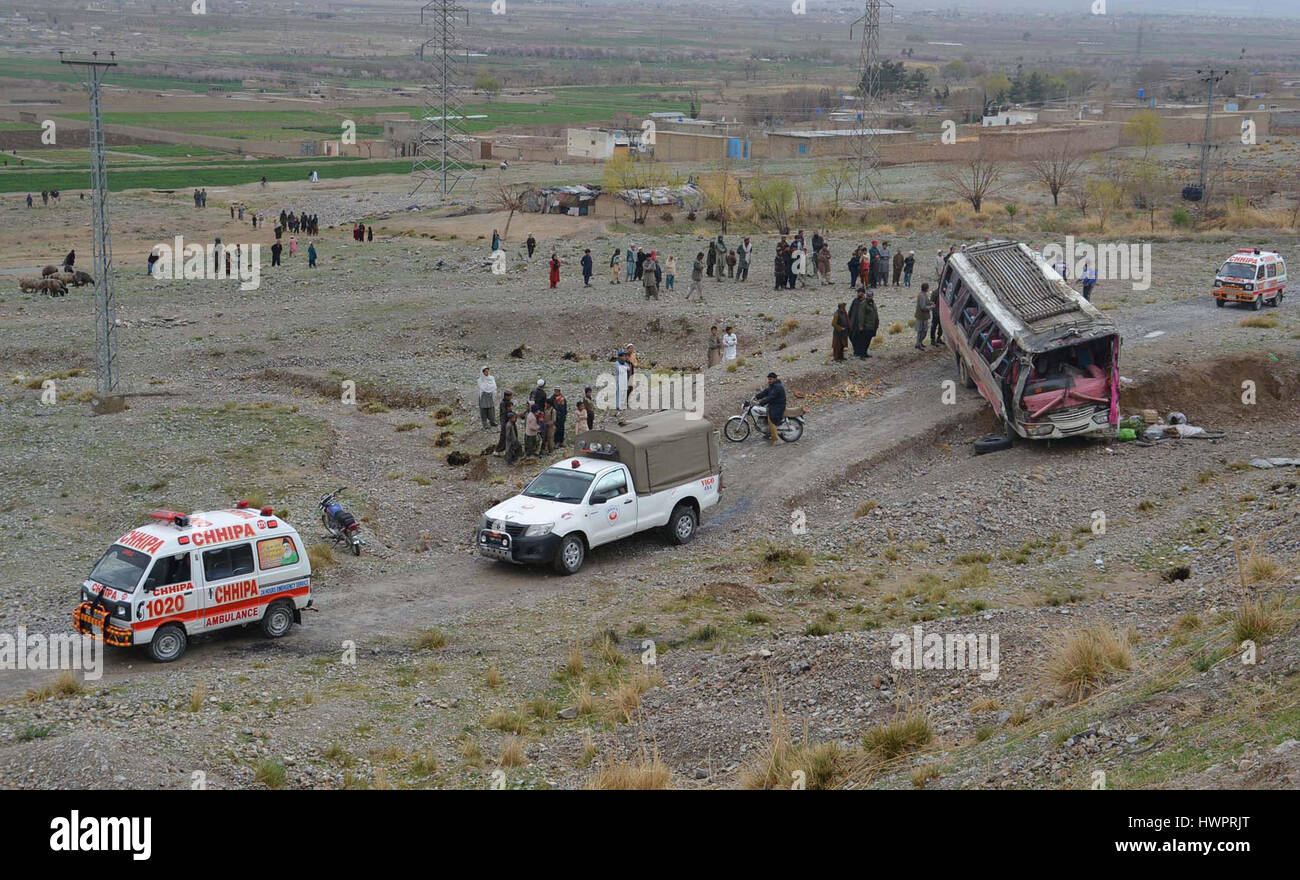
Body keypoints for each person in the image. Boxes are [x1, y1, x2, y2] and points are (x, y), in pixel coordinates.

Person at [754, 372, 787, 444]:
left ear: (775, 379)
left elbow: (771, 397)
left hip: (778, 406)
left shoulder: (777, 387)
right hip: (774, 404)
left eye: (770, 379)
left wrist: (761, 402)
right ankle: (768, 433)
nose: (769, 380)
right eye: (768, 379)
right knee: (765, 416)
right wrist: (756, 396)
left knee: (771, 420)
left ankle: (776, 440)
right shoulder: (772, 386)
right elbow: (765, 392)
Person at [495, 390, 516, 455]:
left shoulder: (508, 402)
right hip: (505, 421)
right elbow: (504, 413)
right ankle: (498, 450)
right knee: (504, 436)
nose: (511, 397)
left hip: (509, 420)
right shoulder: (503, 403)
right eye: (510, 396)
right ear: (507, 396)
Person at [914, 283, 931, 350]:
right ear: (926, 288)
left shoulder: (922, 294)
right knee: (922, 331)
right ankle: (918, 344)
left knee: (921, 331)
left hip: (922, 316)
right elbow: (923, 307)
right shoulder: (922, 296)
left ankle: (919, 343)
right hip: (922, 316)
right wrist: (931, 307)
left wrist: (930, 303)